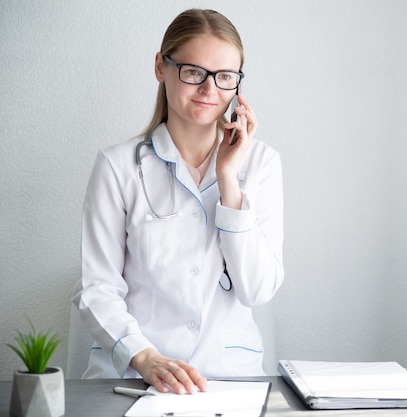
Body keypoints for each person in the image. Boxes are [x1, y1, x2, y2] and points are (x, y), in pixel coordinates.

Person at [72, 9, 284, 395]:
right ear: (160, 67)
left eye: (224, 77)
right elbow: (97, 287)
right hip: (133, 380)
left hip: (228, 380)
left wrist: (228, 180)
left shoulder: (261, 164)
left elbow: (257, 289)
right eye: (192, 71)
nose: (209, 89)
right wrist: (144, 356)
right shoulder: (118, 166)